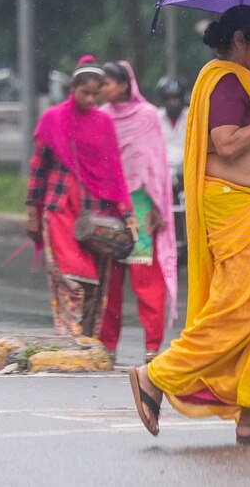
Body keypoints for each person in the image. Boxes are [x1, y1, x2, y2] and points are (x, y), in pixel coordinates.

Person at [128, 4, 250, 445]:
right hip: (235, 208)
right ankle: (155, 376)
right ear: (240, 40)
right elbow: (227, 143)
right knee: (237, 310)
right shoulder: (225, 80)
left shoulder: (235, 81)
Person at [26, 57, 139, 342]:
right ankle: (70, 335)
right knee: (68, 275)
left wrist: (127, 213)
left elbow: (114, 172)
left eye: (95, 94)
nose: (90, 99)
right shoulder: (52, 119)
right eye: (84, 93)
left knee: (93, 280)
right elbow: (38, 169)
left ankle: (87, 339)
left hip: (96, 213)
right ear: (72, 88)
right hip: (60, 207)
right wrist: (31, 212)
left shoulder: (103, 123)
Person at [96, 61, 179, 364]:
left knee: (146, 280)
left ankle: (152, 347)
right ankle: (106, 345)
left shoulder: (147, 117)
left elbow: (156, 164)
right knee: (110, 281)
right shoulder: (101, 117)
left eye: (107, 83)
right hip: (108, 203)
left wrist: (158, 207)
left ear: (124, 84)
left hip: (141, 204)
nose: (103, 88)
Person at [154, 76, 189, 255]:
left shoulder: (192, 116)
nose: (173, 102)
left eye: (177, 98)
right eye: (169, 98)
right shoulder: (155, 118)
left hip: (187, 172)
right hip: (163, 174)